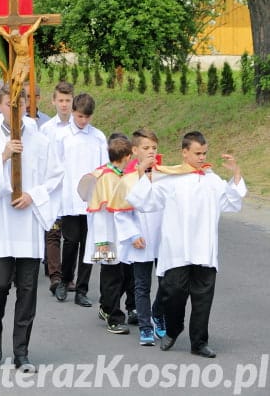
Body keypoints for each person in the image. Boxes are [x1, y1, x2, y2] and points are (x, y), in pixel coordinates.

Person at [126, 131, 246, 357]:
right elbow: (145, 201)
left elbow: (231, 202)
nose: (202, 157)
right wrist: (142, 174)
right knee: (173, 292)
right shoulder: (171, 179)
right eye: (197, 153)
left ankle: (199, 342)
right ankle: (173, 328)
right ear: (184, 152)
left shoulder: (212, 180)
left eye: (204, 153)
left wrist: (236, 174)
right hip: (178, 249)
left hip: (203, 248)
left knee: (203, 298)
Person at [0, 85, 63, 372]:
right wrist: (3, 155)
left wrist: (33, 195)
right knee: (0, 283)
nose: (17, 107)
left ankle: (22, 350)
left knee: (27, 288)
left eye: (21, 102)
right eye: (10, 102)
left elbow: (55, 176)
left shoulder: (39, 135)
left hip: (27, 220)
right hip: (1, 218)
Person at [113, 128, 166, 345]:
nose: (151, 152)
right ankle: (145, 326)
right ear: (135, 151)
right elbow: (120, 211)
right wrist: (132, 234)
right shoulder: (128, 180)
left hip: (163, 238)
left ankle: (158, 314)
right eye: (146, 148)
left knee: (168, 284)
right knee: (142, 284)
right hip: (141, 238)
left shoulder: (164, 175)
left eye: (154, 148)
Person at [55, 93, 108, 307]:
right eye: (79, 116)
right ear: (73, 112)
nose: (82, 121)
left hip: (91, 200)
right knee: (70, 242)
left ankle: (82, 289)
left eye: (86, 117)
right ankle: (65, 280)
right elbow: (56, 167)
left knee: (89, 245)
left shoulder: (98, 137)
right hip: (69, 197)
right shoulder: (63, 136)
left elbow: (104, 168)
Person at [79, 134, 134, 335]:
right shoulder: (105, 177)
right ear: (126, 156)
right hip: (107, 235)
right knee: (112, 274)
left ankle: (106, 305)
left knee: (122, 273)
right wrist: (102, 244)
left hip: (122, 235)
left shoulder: (120, 174)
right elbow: (100, 211)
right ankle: (114, 316)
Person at [40, 82, 75, 300]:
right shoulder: (46, 129)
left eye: (68, 100)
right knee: (52, 233)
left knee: (71, 237)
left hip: (72, 192)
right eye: (60, 100)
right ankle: (55, 275)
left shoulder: (79, 128)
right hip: (53, 190)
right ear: (53, 101)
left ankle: (68, 276)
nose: (64, 105)